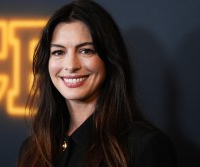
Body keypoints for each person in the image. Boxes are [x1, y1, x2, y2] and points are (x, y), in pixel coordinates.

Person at [18, 0, 177, 166]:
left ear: (109, 59)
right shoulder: (32, 150)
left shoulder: (143, 146)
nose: (71, 66)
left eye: (86, 51)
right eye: (58, 52)